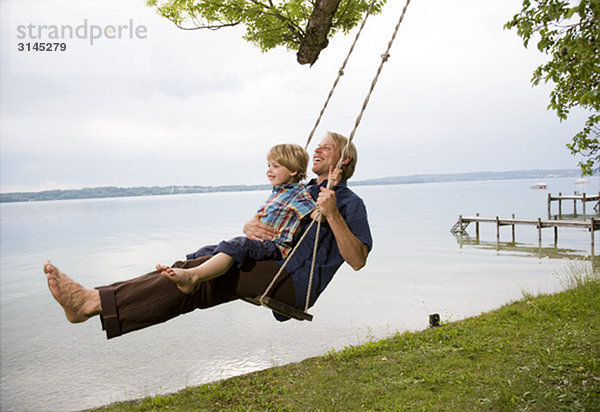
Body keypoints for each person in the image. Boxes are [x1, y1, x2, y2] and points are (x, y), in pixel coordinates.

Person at [43, 132, 372, 339]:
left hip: (293, 283)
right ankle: (93, 302)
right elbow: (276, 226)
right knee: (191, 271)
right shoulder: (301, 191)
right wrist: (252, 227)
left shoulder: (348, 202)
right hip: (272, 265)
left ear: (344, 161)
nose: (316, 149)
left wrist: (333, 216)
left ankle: (90, 302)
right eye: (317, 145)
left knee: (198, 279)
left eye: (326, 148)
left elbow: (357, 260)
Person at [156, 143, 317, 294]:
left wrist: (325, 208)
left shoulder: (298, 195)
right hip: (260, 243)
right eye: (268, 165)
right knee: (211, 249)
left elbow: (316, 214)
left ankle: (193, 276)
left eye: (275, 166)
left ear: (293, 171)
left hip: (274, 248)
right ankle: (183, 267)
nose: (269, 170)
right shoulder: (278, 192)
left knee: (236, 245)